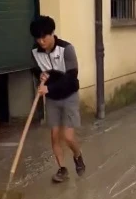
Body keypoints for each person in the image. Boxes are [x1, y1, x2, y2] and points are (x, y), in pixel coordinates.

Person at [30, 15, 86, 183]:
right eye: (38, 38)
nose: (41, 41)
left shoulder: (66, 49)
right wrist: (41, 75)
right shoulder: (35, 52)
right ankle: (62, 169)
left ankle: (78, 156)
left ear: (52, 34)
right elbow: (35, 69)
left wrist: (49, 87)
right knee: (55, 135)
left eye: (44, 37)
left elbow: (71, 78)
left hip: (69, 96)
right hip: (52, 99)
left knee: (68, 137)